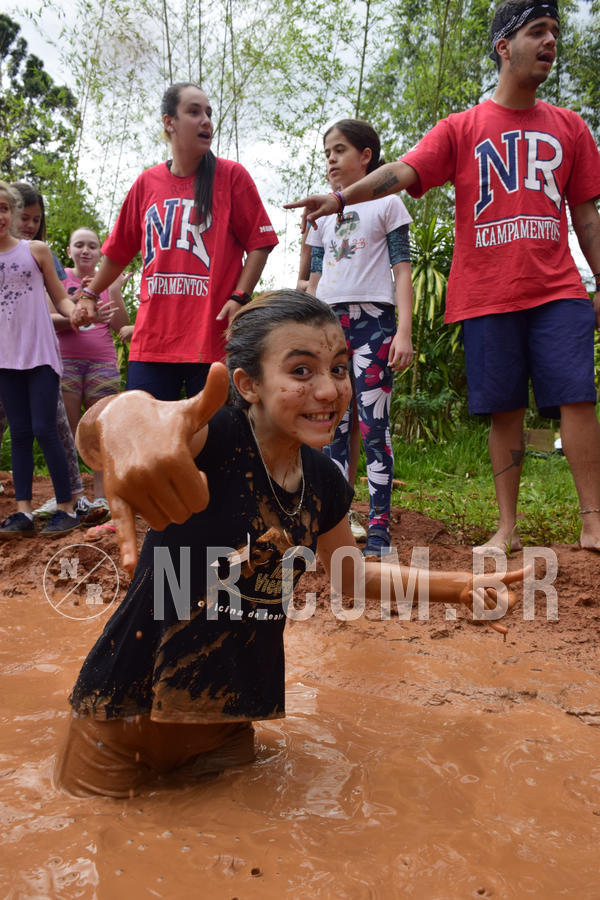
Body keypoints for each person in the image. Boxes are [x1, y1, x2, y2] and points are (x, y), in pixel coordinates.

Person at [56, 290, 525, 798]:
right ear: (247, 383)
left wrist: (457, 588)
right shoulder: (207, 440)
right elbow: (106, 428)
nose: (329, 390)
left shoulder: (324, 482)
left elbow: (353, 575)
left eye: (339, 368)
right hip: (119, 721)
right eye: (301, 371)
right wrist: (122, 416)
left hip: (226, 734)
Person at [286, 0, 600, 555]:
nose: (550, 41)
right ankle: (506, 529)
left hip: (559, 290)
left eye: (554, 31)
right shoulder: (461, 128)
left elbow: (588, 218)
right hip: (486, 294)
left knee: (576, 397)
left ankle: (594, 520)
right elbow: (397, 173)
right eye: (537, 31)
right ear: (504, 47)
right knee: (503, 409)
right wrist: (340, 198)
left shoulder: (571, 127)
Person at [76, 82, 278, 401]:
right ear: (169, 122)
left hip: (214, 338)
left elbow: (260, 242)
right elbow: (118, 252)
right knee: (147, 441)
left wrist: (240, 297)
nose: (206, 120)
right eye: (194, 112)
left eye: (209, 113)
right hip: (153, 342)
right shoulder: (147, 184)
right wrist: (90, 293)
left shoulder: (231, 177)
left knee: (216, 444)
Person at [305, 119, 414, 556]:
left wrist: (404, 331)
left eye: (340, 150)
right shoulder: (320, 215)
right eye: (327, 152)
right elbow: (313, 278)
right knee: (333, 427)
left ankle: (380, 529)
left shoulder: (387, 203)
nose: (331, 158)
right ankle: (333, 526)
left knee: (373, 427)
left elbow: (402, 271)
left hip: (375, 325)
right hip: (327, 327)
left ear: (366, 155)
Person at [0, 182, 90, 538]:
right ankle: (22, 512)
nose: (1, 215)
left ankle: (66, 508)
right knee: (19, 434)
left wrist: (76, 313)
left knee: (44, 428)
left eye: (5, 208)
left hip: (39, 354)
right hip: (5, 359)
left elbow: (61, 298)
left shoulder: (34, 250)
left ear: (13, 212)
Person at [54, 226, 129, 520]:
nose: (85, 250)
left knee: (101, 432)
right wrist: (81, 309)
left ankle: (101, 498)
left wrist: (114, 291)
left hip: (102, 362)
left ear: (100, 252)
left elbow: (122, 328)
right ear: (69, 251)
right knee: (69, 432)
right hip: (66, 361)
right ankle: (72, 498)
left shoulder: (106, 279)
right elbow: (52, 319)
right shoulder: (60, 279)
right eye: (79, 245)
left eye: (92, 246)